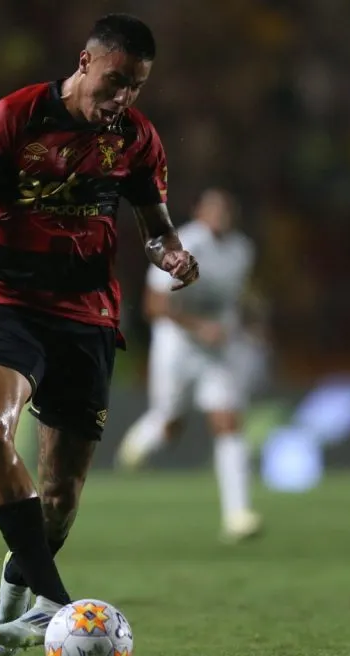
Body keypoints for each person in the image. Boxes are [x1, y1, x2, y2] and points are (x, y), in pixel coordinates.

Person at [0, 13, 199, 656]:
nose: (124, 99)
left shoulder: (137, 138)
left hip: (86, 315)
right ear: (85, 63)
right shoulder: (17, 117)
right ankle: (58, 601)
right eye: (116, 82)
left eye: (136, 86)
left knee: (59, 497)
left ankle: (15, 597)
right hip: (7, 300)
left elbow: (156, 225)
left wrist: (171, 254)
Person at [115, 188, 263, 543]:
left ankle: (238, 514)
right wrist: (199, 327)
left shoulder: (243, 250)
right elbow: (153, 306)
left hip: (217, 351)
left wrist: (249, 325)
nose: (220, 215)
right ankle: (140, 440)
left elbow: (235, 299)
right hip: (177, 346)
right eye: (213, 208)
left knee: (227, 420)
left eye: (225, 209)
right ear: (198, 211)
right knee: (170, 425)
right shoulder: (179, 244)